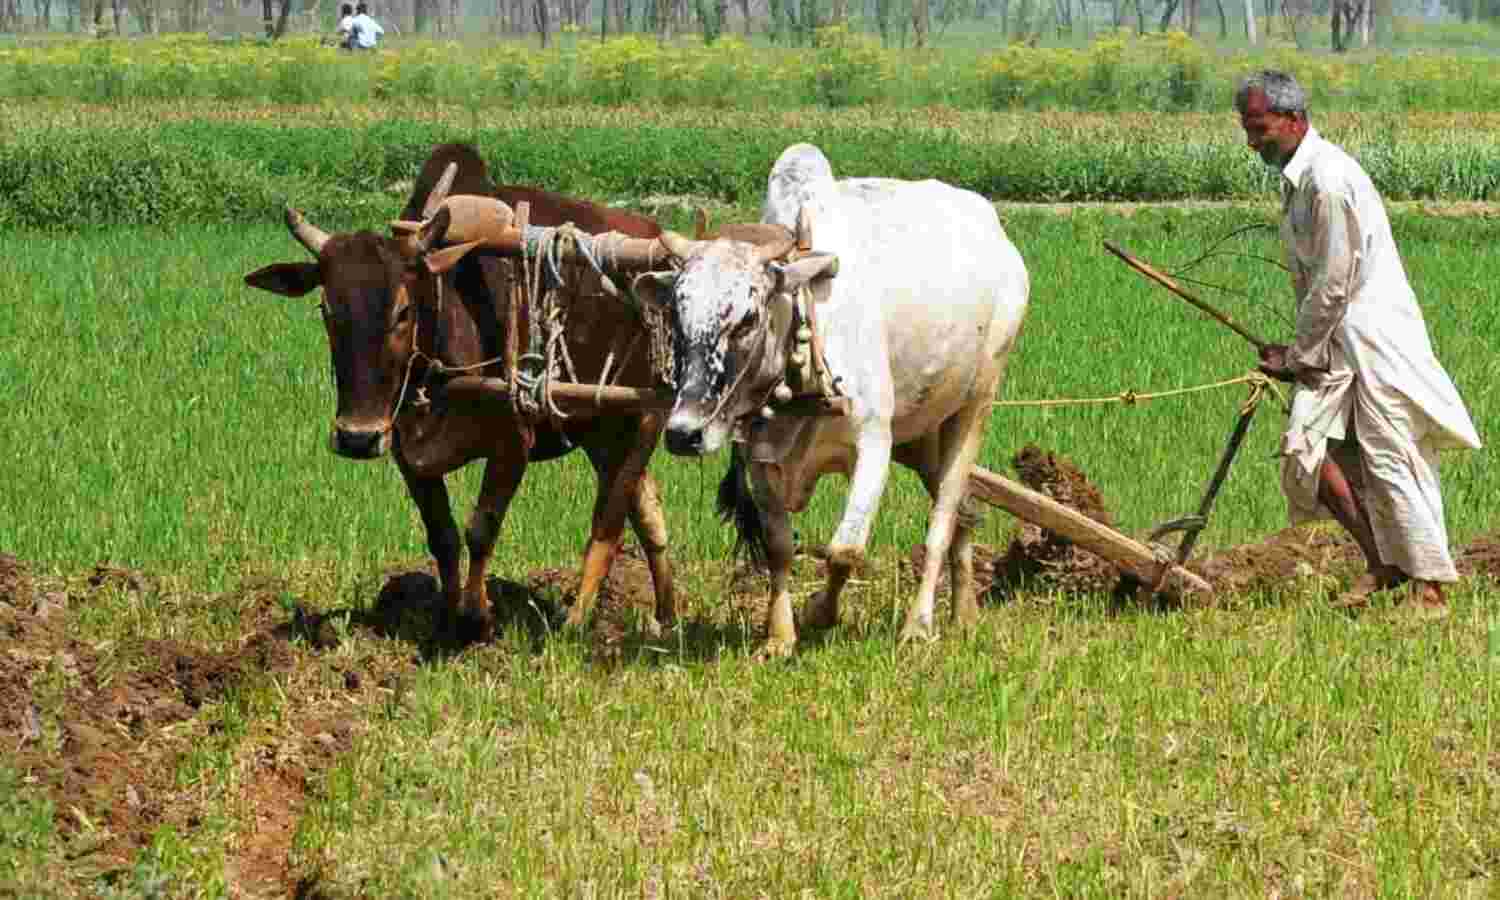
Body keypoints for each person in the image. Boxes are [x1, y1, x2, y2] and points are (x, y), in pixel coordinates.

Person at [1235, 69, 1481, 617]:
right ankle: (1383, 563)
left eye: (1259, 127)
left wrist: (1298, 356)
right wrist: (1301, 351)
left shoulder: (1329, 180)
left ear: (1294, 119)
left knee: (1394, 458)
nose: (1251, 141)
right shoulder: (1299, 179)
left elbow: (1335, 282)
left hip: (1374, 339)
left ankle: (1431, 590)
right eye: (1246, 129)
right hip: (1336, 340)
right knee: (1311, 452)